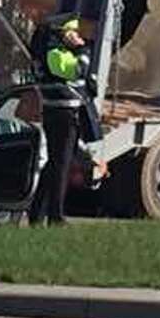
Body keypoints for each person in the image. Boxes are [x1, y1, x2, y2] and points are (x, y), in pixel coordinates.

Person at [30, 14, 101, 226]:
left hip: (63, 113)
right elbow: (77, 69)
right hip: (62, 115)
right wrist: (83, 51)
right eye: (73, 33)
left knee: (56, 164)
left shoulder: (54, 52)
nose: (77, 37)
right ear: (62, 33)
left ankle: (38, 214)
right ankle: (55, 216)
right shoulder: (55, 54)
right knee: (61, 165)